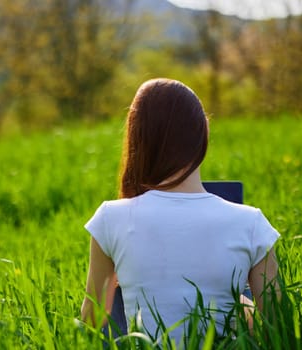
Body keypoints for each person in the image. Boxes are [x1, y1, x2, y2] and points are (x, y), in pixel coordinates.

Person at [80, 78, 280, 344]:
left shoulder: (111, 218)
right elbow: (276, 330)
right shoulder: (251, 223)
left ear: (136, 141)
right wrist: (241, 304)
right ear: (203, 136)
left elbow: (92, 321)